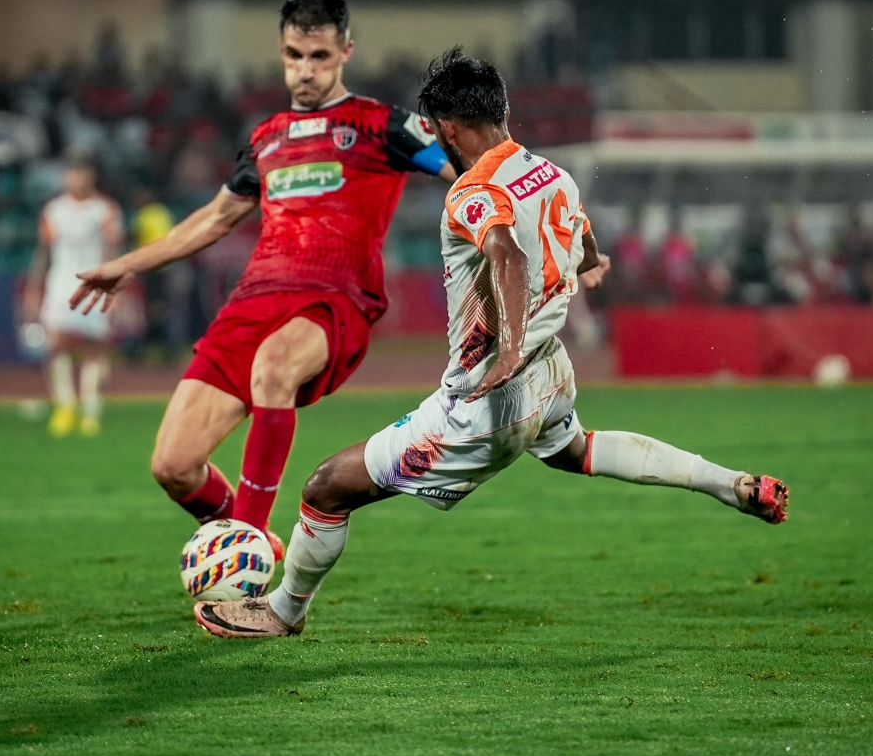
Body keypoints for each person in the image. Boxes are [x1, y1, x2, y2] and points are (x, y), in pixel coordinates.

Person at [193, 49, 790, 639]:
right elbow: (582, 239)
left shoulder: (471, 192)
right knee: (575, 450)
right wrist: (588, 264)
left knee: (326, 488)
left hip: (488, 400)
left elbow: (505, 253)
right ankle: (729, 484)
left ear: (446, 128)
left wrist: (506, 351)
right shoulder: (553, 174)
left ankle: (283, 612)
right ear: (502, 110)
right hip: (550, 372)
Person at [71, 0, 455, 559]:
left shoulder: (383, 125)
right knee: (174, 466)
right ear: (282, 53)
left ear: (345, 52)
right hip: (253, 301)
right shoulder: (267, 137)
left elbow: (471, 173)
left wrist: (556, 237)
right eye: (295, 56)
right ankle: (254, 542)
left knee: (274, 369)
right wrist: (126, 265)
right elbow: (216, 217)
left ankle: (245, 550)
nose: (305, 70)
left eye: (319, 56)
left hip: (334, 299)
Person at [24, 153, 123, 437]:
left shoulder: (105, 209)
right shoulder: (53, 210)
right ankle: (65, 405)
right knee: (56, 343)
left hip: (95, 283)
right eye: (71, 173)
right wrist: (33, 288)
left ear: (91, 176)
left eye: (81, 173)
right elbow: (43, 251)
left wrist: (115, 289)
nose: (76, 179)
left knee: (94, 347)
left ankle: (90, 408)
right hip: (60, 283)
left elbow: (113, 249)